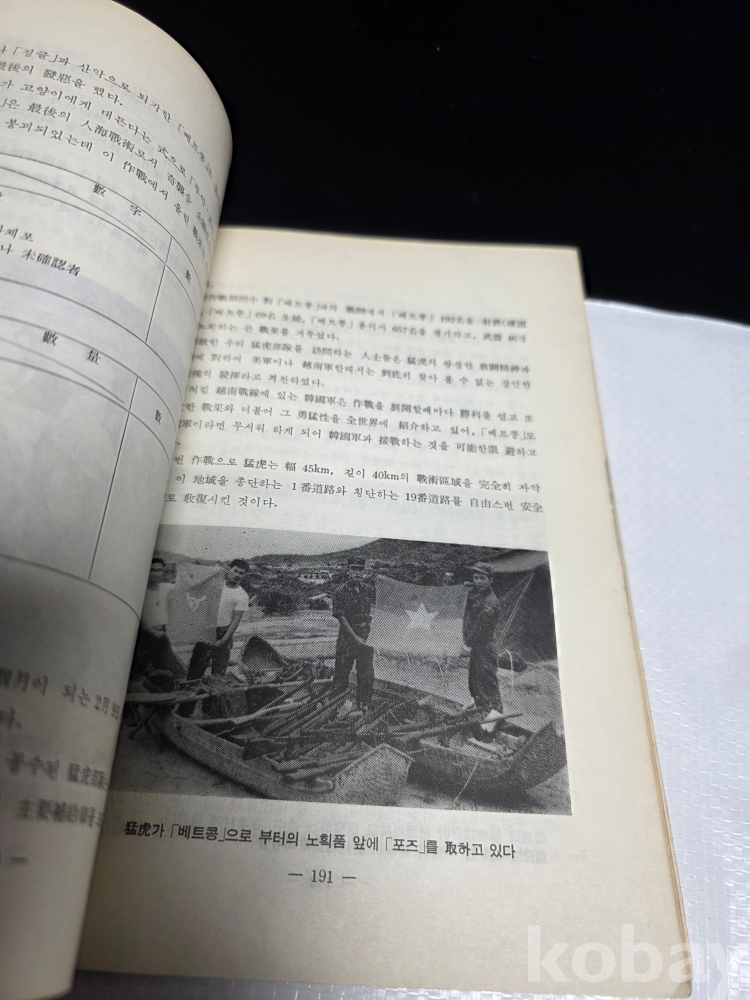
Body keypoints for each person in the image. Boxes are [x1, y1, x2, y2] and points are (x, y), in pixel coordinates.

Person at [177, 559, 251, 717]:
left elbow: (235, 621)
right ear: (229, 569)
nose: (237, 575)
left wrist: (224, 640)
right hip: (207, 631)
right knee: (195, 673)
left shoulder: (242, 595)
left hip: (224, 633)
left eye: (241, 573)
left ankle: (210, 712)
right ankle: (185, 711)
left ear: (243, 576)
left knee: (218, 677)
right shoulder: (215, 586)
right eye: (235, 570)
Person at [330, 558, 376, 709]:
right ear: (348, 570)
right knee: (341, 675)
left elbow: (375, 609)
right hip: (347, 639)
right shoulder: (340, 592)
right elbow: (341, 617)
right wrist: (355, 638)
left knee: (366, 675)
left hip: (365, 637)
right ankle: (334, 708)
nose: (357, 572)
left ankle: (363, 706)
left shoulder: (368, 589)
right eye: (354, 569)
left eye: (360, 569)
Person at [462, 562, 507, 713]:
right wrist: (468, 586)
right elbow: (472, 596)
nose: (478, 582)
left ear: (490, 580)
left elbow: (480, 628)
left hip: (485, 647)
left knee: (487, 681)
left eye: (482, 578)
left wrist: (467, 644)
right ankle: (478, 703)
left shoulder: (490, 602)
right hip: (477, 646)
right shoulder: (478, 594)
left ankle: (495, 714)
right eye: (475, 578)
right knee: (474, 679)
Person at [130, 557, 178, 686]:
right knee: (136, 671)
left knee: (168, 671)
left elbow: (185, 585)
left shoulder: (166, 588)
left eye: (159, 570)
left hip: (161, 633)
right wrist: (152, 632)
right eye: (153, 570)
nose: (156, 573)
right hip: (144, 635)